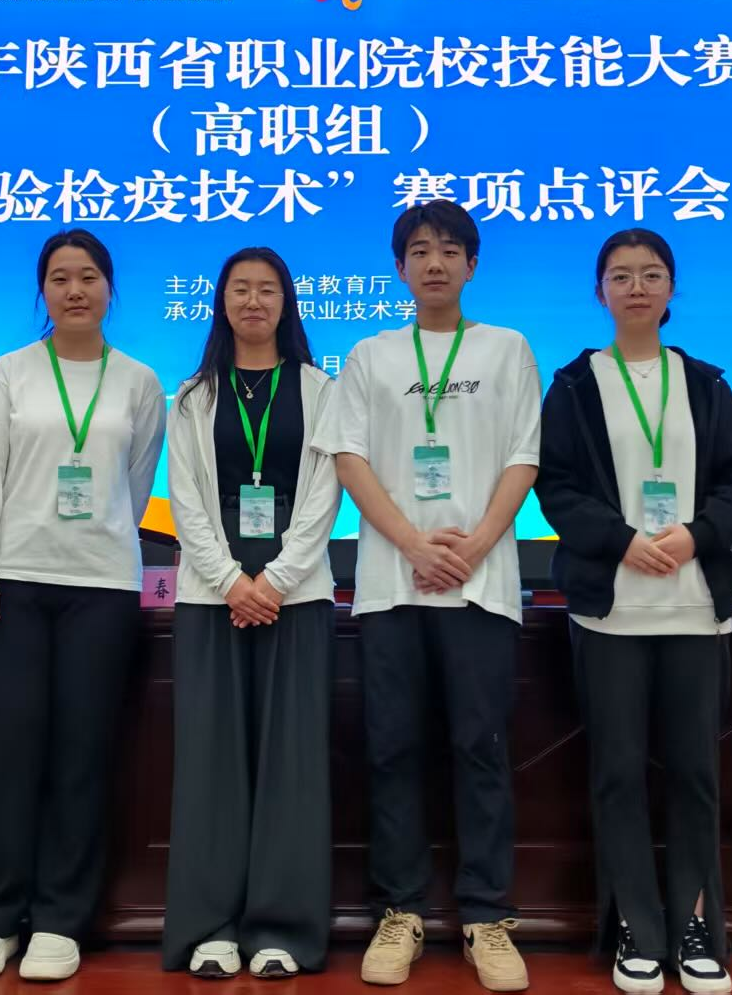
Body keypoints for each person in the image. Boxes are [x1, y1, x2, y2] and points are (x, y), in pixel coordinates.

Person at [312, 200, 540, 993]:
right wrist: (412, 543)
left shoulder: (507, 349)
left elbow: (523, 458)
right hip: (391, 585)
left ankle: (487, 916)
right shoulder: (370, 355)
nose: (434, 262)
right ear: (400, 267)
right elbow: (349, 458)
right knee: (393, 749)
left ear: (472, 264)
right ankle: (400, 910)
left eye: (449, 249)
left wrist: (473, 546)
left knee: (482, 749)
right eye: (419, 250)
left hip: (483, 586)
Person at [537, 230, 732, 995]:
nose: (636, 286)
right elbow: (557, 487)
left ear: (671, 289)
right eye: (621, 275)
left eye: (651, 274)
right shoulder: (574, 386)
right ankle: (636, 922)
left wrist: (697, 535)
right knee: (618, 773)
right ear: (599, 290)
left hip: (695, 609)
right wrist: (623, 540)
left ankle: (696, 922)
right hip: (611, 613)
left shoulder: (706, 383)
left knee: (696, 771)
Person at [0, 230, 167, 984]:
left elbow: (134, 485)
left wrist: (98, 540)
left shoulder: (138, 381)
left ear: (110, 287)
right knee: (7, 752)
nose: (75, 290)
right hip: (13, 583)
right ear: (42, 290)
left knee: (81, 754)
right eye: (60, 277)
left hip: (102, 587)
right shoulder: (8, 373)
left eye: (89, 276)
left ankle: (60, 919)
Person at [161, 247, 342, 981]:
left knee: (291, 766)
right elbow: (185, 499)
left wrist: (277, 579)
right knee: (210, 763)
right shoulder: (193, 396)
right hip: (212, 598)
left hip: (297, 598)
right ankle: (210, 927)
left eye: (268, 289)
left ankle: (282, 930)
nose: (254, 301)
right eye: (240, 289)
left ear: (287, 303)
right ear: (222, 302)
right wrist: (233, 581)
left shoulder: (321, 390)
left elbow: (327, 491)